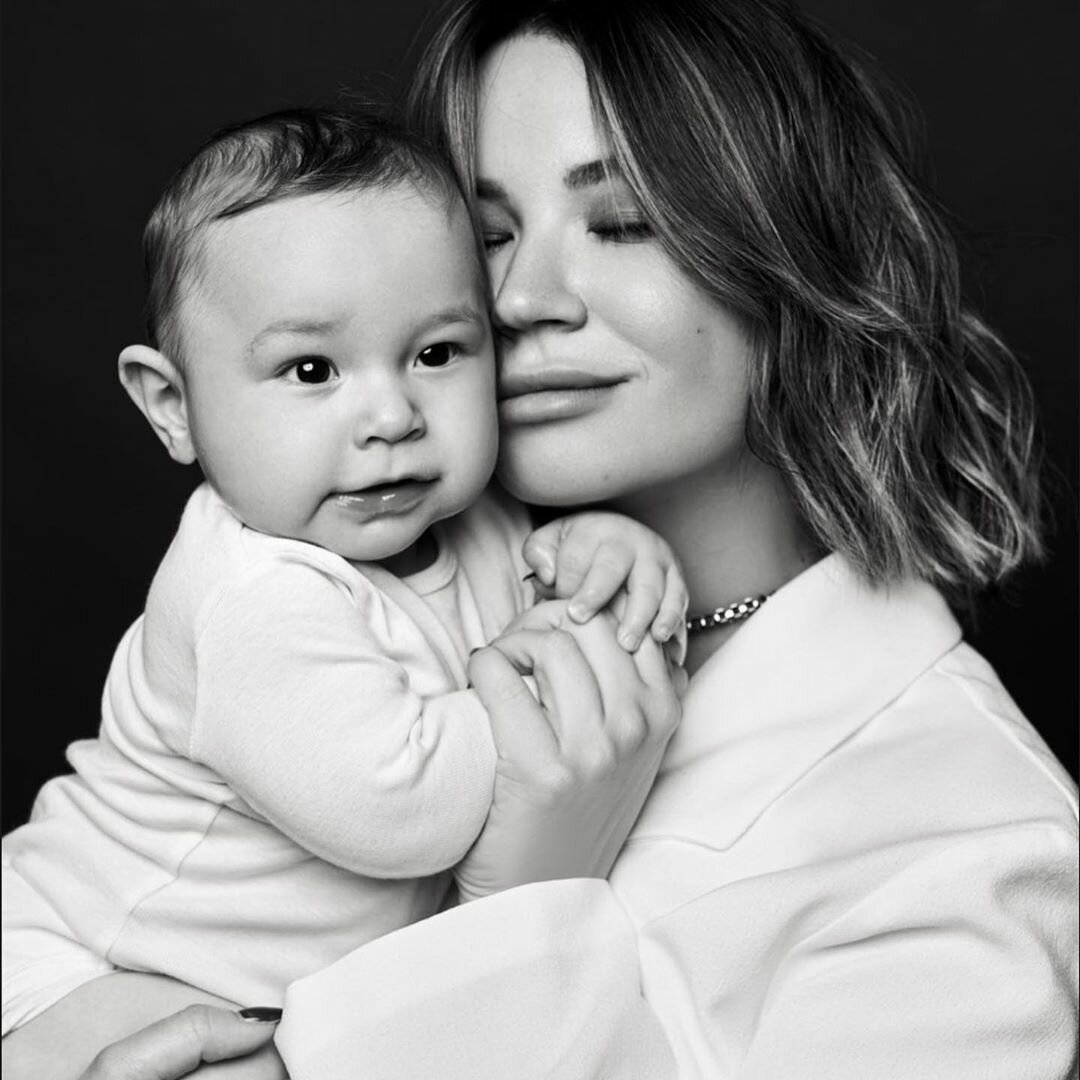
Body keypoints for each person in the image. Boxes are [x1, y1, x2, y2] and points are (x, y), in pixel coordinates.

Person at [5, 0, 1078, 1077]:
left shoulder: (964, 852)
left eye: (619, 223)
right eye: (487, 238)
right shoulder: (334, 570)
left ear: (800, 258)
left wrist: (520, 901)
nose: (516, 298)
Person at [1, 106, 687, 1061]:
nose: (392, 416)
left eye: (436, 353)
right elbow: (403, 809)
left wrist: (597, 552)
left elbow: (540, 598)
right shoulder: (251, 594)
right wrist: (565, 668)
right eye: (312, 369)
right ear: (173, 408)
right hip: (89, 956)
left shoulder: (476, 516)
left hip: (254, 987)